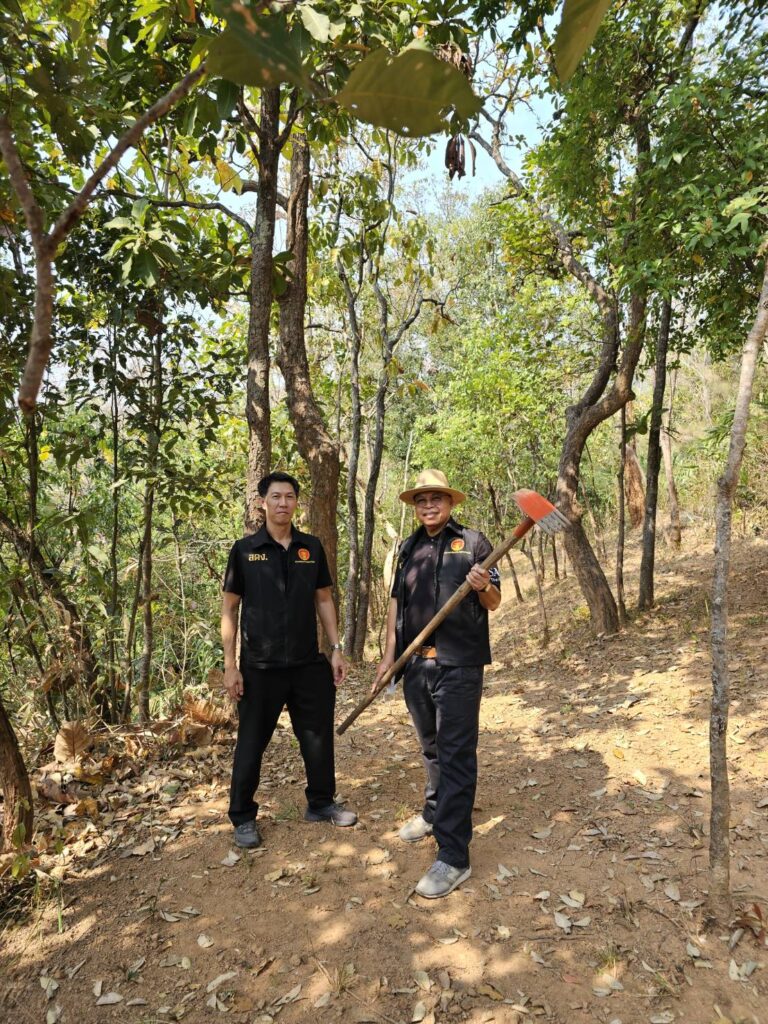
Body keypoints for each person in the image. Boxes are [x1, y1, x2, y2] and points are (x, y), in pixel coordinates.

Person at [374, 469, 501, 898]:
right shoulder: (407, 548)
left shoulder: (474, 543)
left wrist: (481, 587)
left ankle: (453, 855)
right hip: (415, 665)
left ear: (450, 503)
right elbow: (396, 605)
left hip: (459, 665)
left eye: (436, 499)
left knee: (455, 754)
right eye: (421, 500)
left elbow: (495, 601)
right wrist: (389, 658)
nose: (429, 506)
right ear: (416, 506)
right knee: (430, 746)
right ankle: (434, 812)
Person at [221, 470, 357, 849]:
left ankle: (321, 803)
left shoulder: (310, 547)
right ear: (262, 503)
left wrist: (336, 648)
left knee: (317, 737)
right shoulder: (245, 550)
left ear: (297, 502)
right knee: (251, 743)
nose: (283, 503)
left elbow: (324, 598)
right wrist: (231, 666)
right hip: (259, 668)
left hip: (306, 663)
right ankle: (243, 817)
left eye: (290, 497)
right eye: (276, 497)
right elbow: (229, 609)